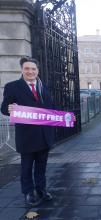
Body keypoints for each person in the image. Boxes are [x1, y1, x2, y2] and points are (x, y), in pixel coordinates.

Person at [1, 57, 55, 207]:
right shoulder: (12, 86)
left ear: (37, 71)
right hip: (27, 135)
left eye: (33, 69)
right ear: (22, 70)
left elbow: (51, 107)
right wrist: (9, 109)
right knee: (26, 167)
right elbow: (4, 108)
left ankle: (41, 189)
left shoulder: (44, 86)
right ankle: (28, 193)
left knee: (41, 166)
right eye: (27, 69)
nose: (30, 71)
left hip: (44, 134)